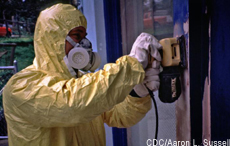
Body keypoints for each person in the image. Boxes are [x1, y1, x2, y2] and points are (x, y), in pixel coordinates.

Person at [3, 3, 162, 146]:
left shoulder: (83, 84)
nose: (85, 44)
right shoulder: (20, 88)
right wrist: (131, 65)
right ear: (54, 39)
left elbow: (120, 116)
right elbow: (72, 103)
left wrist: (137, 92)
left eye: (84, 37)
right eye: (77, 36)